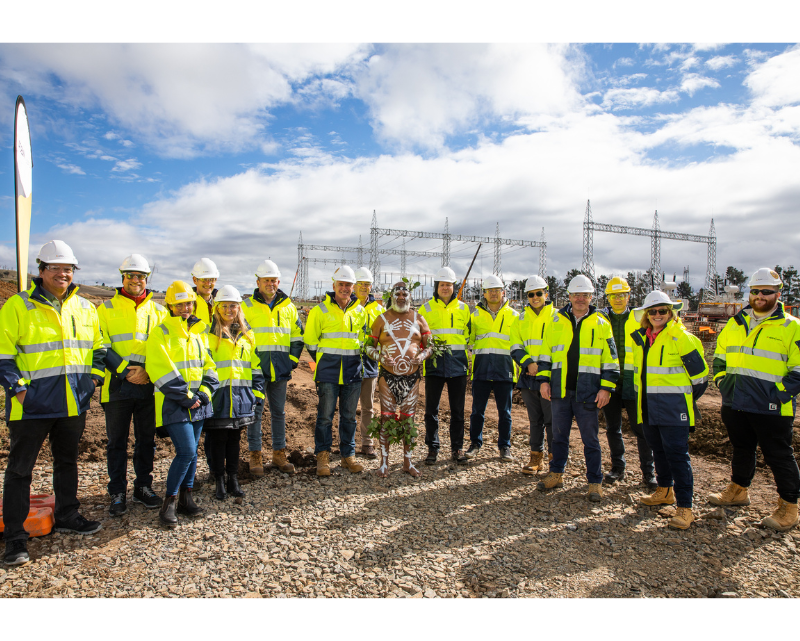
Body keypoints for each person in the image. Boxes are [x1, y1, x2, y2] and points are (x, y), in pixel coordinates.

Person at [1, 241, 105, 566]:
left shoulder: (85, 307)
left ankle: (67, 516)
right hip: (30, 407)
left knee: (67, 462)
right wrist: (20, 391)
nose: (63, 273)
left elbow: (98, 349)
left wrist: (94, 380)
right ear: (41, 270)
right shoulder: (18, 306)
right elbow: (4, 355)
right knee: (20, 471)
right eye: (56, 267)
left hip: (73, 404)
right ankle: (15, 539)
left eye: (68, 268)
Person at [709, 268, 800, 532]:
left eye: (766, 292)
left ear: (777, 294)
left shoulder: (790, 327)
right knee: (741, 448)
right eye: (756, 291)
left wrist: (779, 394)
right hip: (736, 402)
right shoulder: (736, 323)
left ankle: (789, 507)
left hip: (771, 406)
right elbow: (720, 357)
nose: (760, 296)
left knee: (779, 455)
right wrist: (724, 383)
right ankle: (738, 490)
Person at [537, 275, 619, 502]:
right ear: (569, 297)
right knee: (559, 436)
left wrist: (606, 388)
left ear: (591, 297)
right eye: (576, 295)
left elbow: (611, 360)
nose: (580, 299)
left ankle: (594, 482)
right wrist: (544, 381)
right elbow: (545, 355)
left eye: (585, 295)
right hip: (560, 391)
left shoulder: (602, 323)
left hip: (589, 392)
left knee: (590, 440)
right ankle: (556, 473)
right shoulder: (555, 321)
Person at [98, 254, 167, 517]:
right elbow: (100, 345)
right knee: (116, 442)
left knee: (145, 441)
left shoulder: (159, 311)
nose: (136, 280)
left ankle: (143, 487)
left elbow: (162, 348)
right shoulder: (105, 309)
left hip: (148, 385)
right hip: (116, 385)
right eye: (131, 275)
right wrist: (125, 371)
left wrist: (148, 371)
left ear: (146, 278)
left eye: (140, 276)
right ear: (122, 276)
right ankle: (117, 491)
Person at [631, 291, 708, 529]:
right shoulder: (643, 338)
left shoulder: (682, 338)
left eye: (662, 311)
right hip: (648, 407)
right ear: (646, 314)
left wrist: (680, 401)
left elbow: (701, 379)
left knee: (677, 455)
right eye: (652, 311)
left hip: (674, 410)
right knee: (658, 451)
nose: (657, 315)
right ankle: (664, 491)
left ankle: (685, 507)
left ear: (671, 312)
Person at [146, 281, 219, 527]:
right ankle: (169, 503)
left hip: (198, 403)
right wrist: (186, 397)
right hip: (174, 403)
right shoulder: (161, 332)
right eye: (179, 304)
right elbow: (159, 368)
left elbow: (209, 365)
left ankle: (187, 499)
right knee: (186, 451)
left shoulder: (199, 332)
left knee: (192, 453)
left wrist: (206, 392)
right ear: (170, 305)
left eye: (188, 303)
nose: (185, 308)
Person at [241, 260, 304, 476]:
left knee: (279, 413)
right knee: (255, 413)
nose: (270, 283)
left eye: (273, 280)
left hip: (280, 369)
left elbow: (297, 337)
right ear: (258, 281)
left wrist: (292, 361)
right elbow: (240, 339)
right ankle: (255, 455)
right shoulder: (246, 307)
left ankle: (279, 453)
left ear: (278, 281)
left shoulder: (288, 307)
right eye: (266, 280)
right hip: (256, 371)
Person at [365, 282, 433, 477]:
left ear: (410, 296)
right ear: (391, 296)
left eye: (405, 293)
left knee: (408, 421)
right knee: (386, 417)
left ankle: (407, 462)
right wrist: (380, 357)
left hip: (411, 379)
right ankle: (384, 463)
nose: (401, 297)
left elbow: (431, 347)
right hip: (388, 377)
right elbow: (368, 347)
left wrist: (421, 356)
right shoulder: (380, 320)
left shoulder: (420, 319)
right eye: (398, 294)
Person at [304, 266, 367, 476]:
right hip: (328, 372)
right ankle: (322, 457)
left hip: (353, 372)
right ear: (334, 286)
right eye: (341, 284)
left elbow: (364, 341)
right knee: (325, 417)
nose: (345, 288)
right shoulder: (319, 310)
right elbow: (311, 343)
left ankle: (347, 456)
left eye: (348, 285)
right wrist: (322, 363)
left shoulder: (360, 311)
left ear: (353, 287)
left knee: (349, 417)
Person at [206, 286, 265, 500]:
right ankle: (219, 480)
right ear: (217, 308)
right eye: (224, 305)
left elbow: (256, 367)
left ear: (239, 307)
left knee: (234, 441)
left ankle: (233, 478)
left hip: (241, 399)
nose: (229, 309)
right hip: (217, 398)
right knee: (218, 440)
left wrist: (257, 395)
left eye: (233, 305)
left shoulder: (247, 336)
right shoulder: (208, 335)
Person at [599, 277, 656, 490]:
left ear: (628, 296)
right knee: (613, 428)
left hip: (634, 382)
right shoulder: (600, 318)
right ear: (608, 298)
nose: (618, 299)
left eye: (622, 295)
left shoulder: (640, 317)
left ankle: (648, 473)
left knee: (641, 430)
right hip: (610, 382)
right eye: (614, 295)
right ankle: (618, 468)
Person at [419, 267, 471, 464]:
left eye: (449, 284)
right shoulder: (425, 309)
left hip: (458, 364)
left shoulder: (464, 309)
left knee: (458, 411)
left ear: (453, 286)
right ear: (436, 287)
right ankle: (432, 448)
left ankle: (457, 449)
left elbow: (468, 335)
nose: (446, 288)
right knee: (431, 410)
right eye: (442, 285)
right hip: (434, 364)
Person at [466, 275, 519, 461]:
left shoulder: (514, 316)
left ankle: (505, 446)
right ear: (485, 294)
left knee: (505, 413)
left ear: (503, 292)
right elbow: (468, 340)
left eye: (497, 290)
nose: (494, 293)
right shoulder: (475, 316)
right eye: (490, 290)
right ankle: (474, 444)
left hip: (505, 370)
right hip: (481, 370)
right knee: (477, 411)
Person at [510, 275, 554, 474]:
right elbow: (515, 344)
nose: (535, 297)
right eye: (531, 294)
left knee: (552, 420)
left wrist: (541, 367)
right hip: (528, 377)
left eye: (539, 293)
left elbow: (558, 346)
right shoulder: (521, 318)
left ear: (546, 293)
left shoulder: (557, 316)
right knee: (535, 420)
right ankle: (536, 457)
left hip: (550, 377)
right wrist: (528, 363)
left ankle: (556, 460)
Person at [354, 267, 385, 459]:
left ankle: (367, 443)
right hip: (349, 363)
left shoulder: (379, 310)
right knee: (348, 408)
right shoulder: (348, 306)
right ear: (354, 286)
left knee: (368, 407)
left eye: (367, 284)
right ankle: (347, 444)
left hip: (371, 364)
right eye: (361, 284)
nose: (364, 288)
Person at [191, 257, 219, 328]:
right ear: (195, 280)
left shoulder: (221, 302)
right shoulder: (187, 304)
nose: (208, 283)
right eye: (204, 279)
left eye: (212, 279)